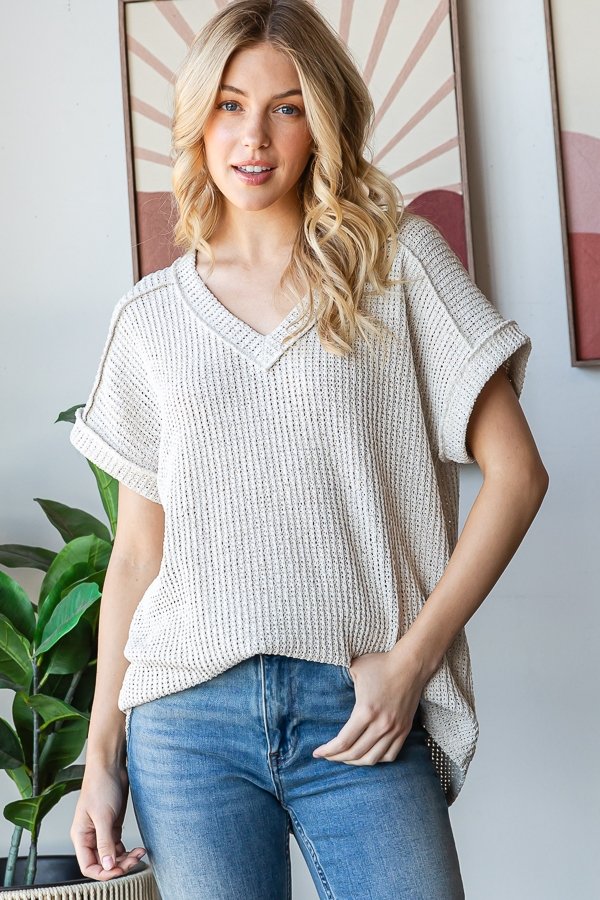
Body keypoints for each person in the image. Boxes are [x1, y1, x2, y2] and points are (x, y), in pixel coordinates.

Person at [68, 1, 548, 897]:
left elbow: (518, 476)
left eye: (286, 107)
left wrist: (413, 662)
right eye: (230, 105)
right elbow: (135, 557)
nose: (254, 137)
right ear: (198, 117)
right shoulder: (150, 319)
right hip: (186, 723)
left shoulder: (398, 265)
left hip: (358, 701)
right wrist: (101, 759)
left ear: (322, 122)